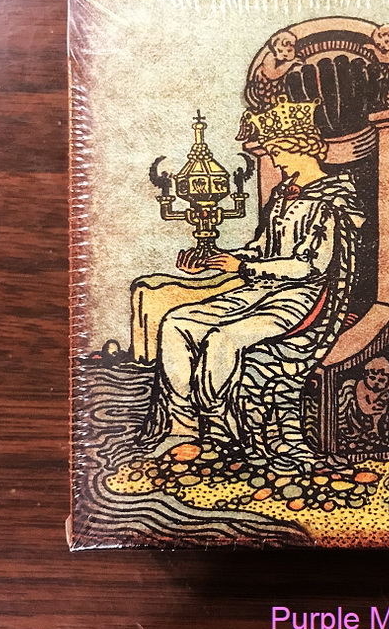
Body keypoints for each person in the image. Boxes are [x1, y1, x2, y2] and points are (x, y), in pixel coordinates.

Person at [145, 100, 366, 473]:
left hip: (302, 300)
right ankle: (184, 425)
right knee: (177, 323)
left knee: (223, 338)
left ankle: (217, 425)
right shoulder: (284, 195)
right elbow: (263, 248)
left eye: (279, 151)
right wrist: (217, 258)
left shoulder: (333, 200)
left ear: (302, 147)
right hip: (259, 290)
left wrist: (244, 266)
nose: (275, 161)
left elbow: (310, 266)